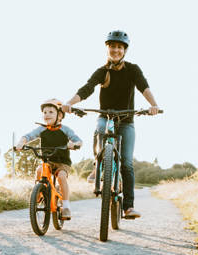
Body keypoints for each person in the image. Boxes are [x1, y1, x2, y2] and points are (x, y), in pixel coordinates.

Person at [62, 30, 160, 219]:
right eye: (112, 47)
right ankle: (97, 164)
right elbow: (87, 88)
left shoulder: (133, 69)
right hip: (105, 116)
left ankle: (128, 207)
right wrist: (70, 103)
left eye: (119, 47)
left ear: (124, 50)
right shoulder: (102, 71)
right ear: (107, 49)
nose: (116, 50)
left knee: (127, 163)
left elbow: (143, 86)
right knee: (100, 128)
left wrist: (153, 105)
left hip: (126, 120)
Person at [14, 99, 82, 219]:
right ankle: (39, 193)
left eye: (51, 112)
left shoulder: (65, 129)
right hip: (48, 161)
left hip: (62, 162)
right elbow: (28, 136)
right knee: (40, 170)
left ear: (60, 115)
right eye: (45, 112)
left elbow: (78, 140)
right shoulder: (42, 129)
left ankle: (66, 206)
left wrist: (74, 144)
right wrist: (21, 142)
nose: (47, 115)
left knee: (61, 177)